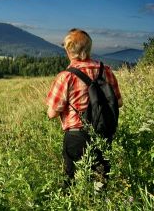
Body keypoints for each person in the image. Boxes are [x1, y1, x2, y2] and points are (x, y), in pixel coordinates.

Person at [46, 28, 123, 184]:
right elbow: (118, 102)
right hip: (103, 133)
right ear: (89, 48)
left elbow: (52, 113)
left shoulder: (66, 76)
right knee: (101, 182)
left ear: (69, 50)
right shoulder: (106, 70)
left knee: (73, 182)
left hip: (76, 136)